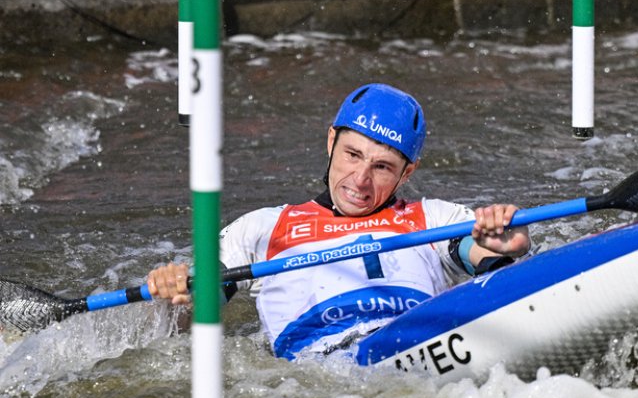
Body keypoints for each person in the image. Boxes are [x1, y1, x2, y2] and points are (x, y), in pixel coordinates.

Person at [148, 83, 531, 359]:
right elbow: (196, 313)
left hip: (421, 345)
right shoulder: (262, 227)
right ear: (331, 141)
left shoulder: (434, 218)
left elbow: (480, 256)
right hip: (317, 369)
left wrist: (501, 246)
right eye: (352, 155)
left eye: (382, 167)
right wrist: (179, 292)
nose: (360, 180)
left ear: (407, 173)